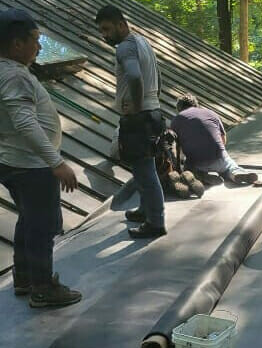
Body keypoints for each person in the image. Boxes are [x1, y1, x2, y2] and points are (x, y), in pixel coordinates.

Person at [0, 9, 82, 307]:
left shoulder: (5, 71)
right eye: (35, 40)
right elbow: (24, 122)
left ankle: (24, 278)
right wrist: (56, 163)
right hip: (31, 166)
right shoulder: (13, 76)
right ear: (16, 44)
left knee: (29, 220)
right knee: (43, 225)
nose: (40, 46)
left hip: (14, 162)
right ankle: (43, 288)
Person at [96, 5, 166, 239]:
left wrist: (136, 106)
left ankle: (156, 222)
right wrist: (151, 100)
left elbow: (135, 76)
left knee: (145, 172)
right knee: (143, 168)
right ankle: (145, 210)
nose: (104, 35)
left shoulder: (125, 47)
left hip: (140, 117)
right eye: (101, 31)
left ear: (121, 24)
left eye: (107, 29)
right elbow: (157, 75)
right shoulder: (142, 41)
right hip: (153, 111)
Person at [170, 94, 259, 185]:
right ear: (196, 105)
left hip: (197, 163)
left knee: (188, 170)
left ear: (179, 108)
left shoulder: (176, 120)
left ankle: (201, 176)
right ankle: (235, 173)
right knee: (229, 165)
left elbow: (176, 149)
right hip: (219, 159)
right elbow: (223, 139)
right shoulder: (211, 113)